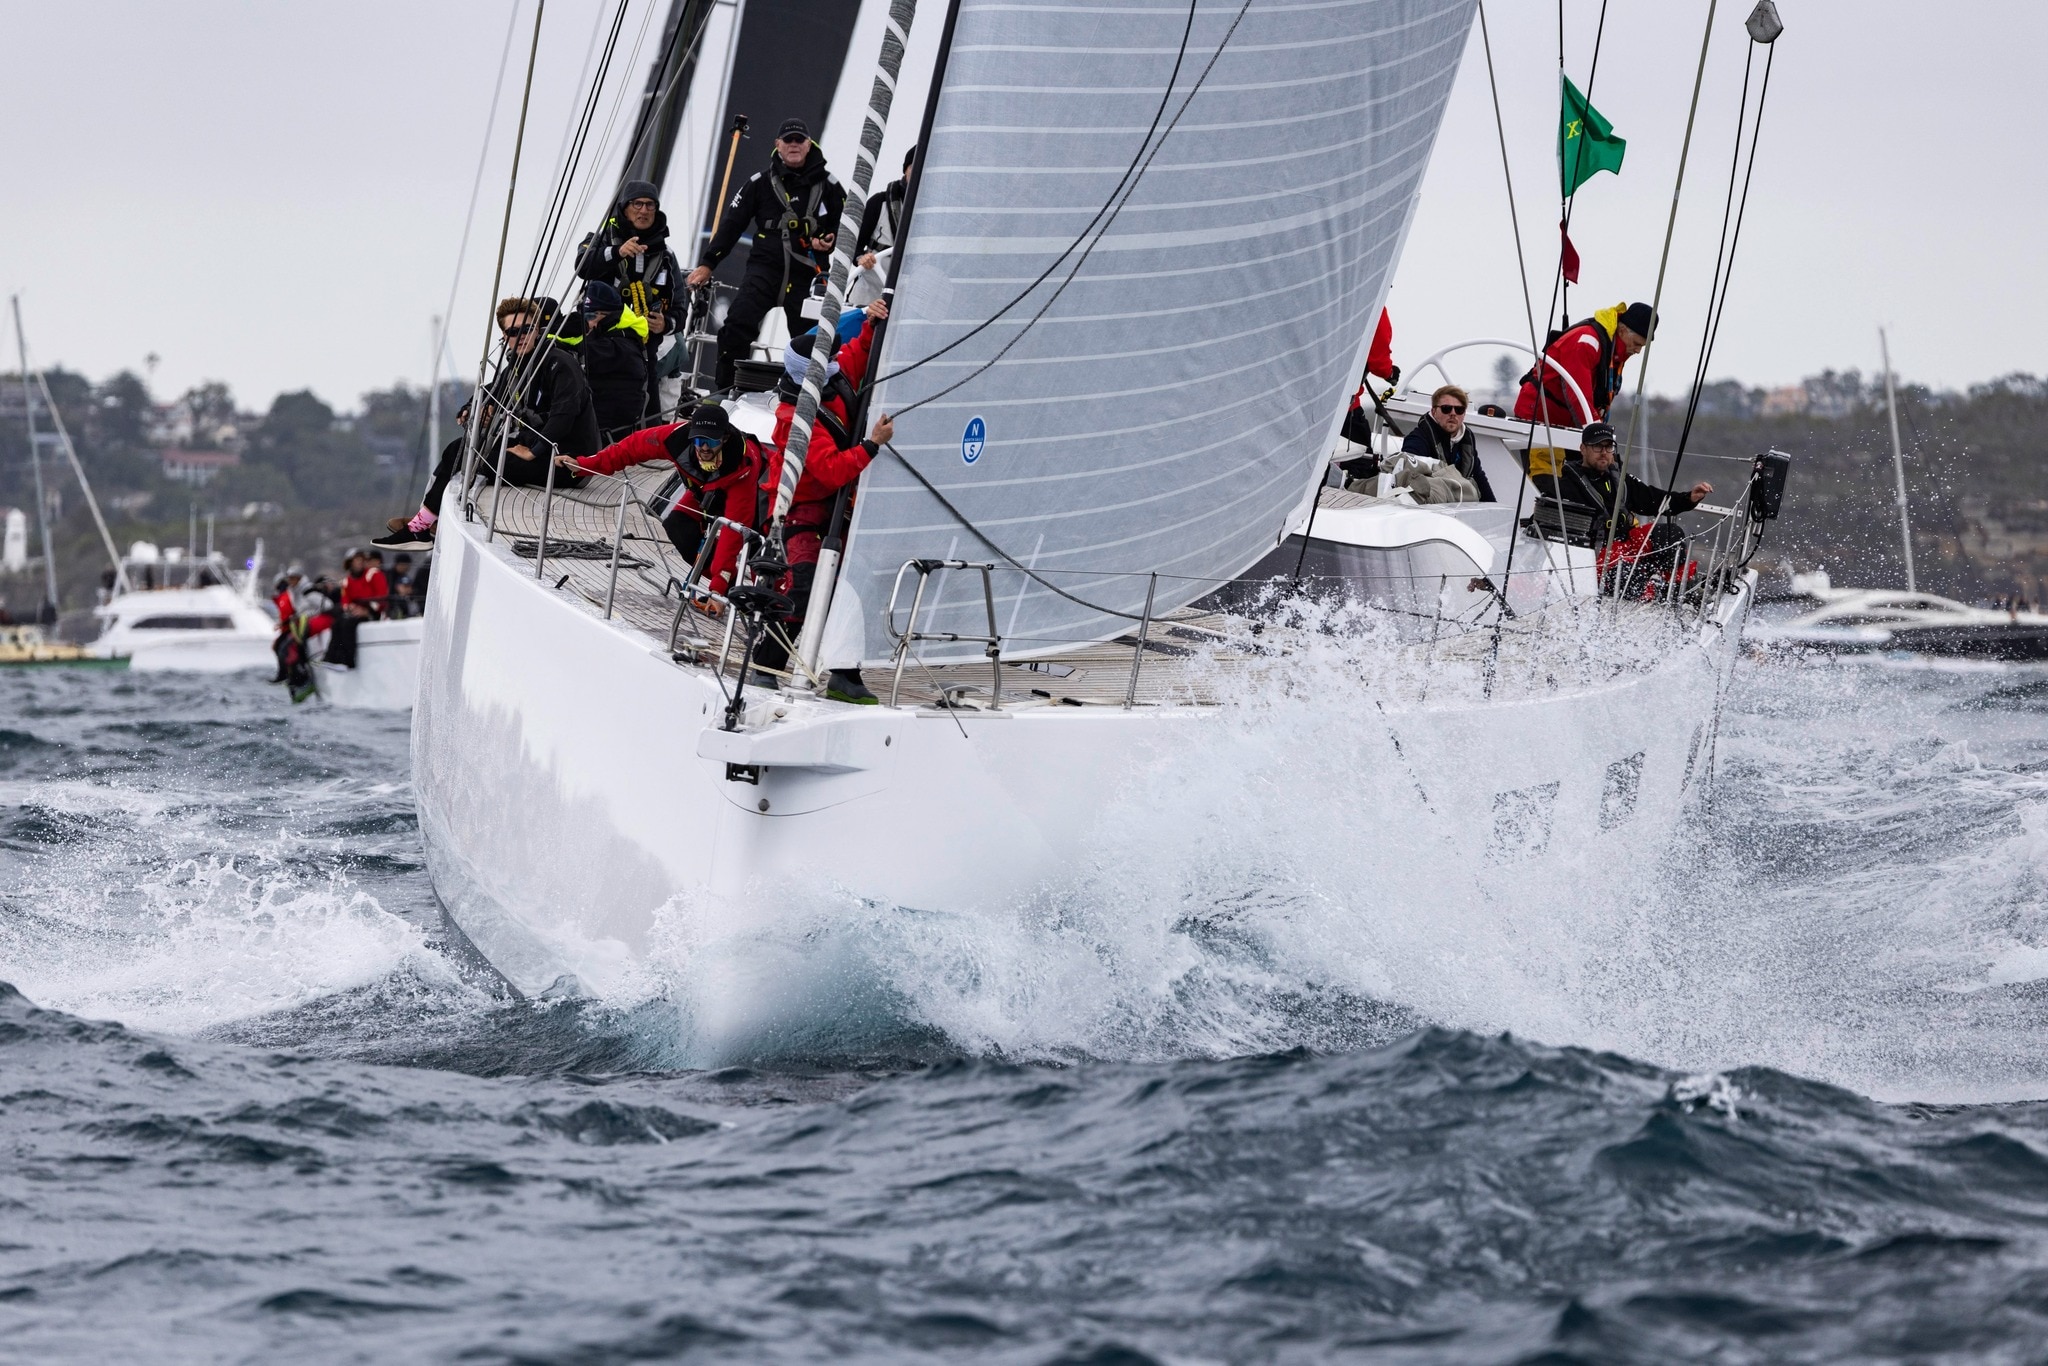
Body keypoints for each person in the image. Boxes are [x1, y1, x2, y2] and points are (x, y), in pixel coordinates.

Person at [759, 303, 892, 700]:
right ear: (812, 372)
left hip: (836, 506)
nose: (835, 361)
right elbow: (831, 469)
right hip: (800, 511)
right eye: (826, 359)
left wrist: (872, 323)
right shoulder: (794, 419)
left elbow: (855, 353)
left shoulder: (833, 377)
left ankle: (844, 673)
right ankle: (767, 663)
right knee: (802, 585)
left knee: (854, 583)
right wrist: (872, 445)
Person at [685, 119, 847, 390]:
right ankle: (726, 392)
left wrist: (830, 241)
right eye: (788, 140)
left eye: (799, 140)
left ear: (809, 144)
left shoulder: (830, 186)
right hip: (764, 270)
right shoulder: (758, 183)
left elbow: (849, 228)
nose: (793, 145)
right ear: (778, 145)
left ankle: (813, 399)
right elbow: (732, 225)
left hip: (808, 274)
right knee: (735, 327)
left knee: (815, 341)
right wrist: (707, 264)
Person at [556, 401, 777, 599]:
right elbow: (628, 449)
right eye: (699, 440)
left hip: (759, 499)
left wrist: (717, 586)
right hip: (705, 492)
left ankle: (757, 599)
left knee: (761, 556)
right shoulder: (674, 439)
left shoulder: (744, 464)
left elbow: (735, 530)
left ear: (725, 438)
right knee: (676, 525)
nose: (704, 448)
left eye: (711, 441)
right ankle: (730, 591)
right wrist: (583, 465)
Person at [1537, 421, 1712, 594]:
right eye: (1597, 447)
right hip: (1597, 556)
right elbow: (1545, 522)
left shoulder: (1621, 480)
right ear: (1583, 449)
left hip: (1627, 545)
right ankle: (1659, 594)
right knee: (1628, 575)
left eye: (1608, 447)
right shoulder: (1566, 486)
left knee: (1671, 534)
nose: (1604, 453)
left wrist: (1689, 498)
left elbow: (1654, 500)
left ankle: (1682, 588)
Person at [1516, 301, 1656, 481]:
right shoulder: (1587, 342)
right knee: (1547, 483)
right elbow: (1577, 395)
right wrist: (1600, 437)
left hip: (1569, 424)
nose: (1638, 351)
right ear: (1621, 331)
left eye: (1642, 347)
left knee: (1586, 481)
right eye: (1637, 344)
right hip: (1541, 417)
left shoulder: (1613, 349)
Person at [487, 297, 600, 488]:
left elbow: (563, 415)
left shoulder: (560, 364)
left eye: (527, 329)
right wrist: (474, 408)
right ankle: (425, 516)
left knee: (487, 461)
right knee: (460, 449)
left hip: (571, 463)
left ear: (538, 330)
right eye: (514, 332)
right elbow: (493, 391)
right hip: (540, 448)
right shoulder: (516, 367)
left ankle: (426, 516)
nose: (521, 336)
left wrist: (533, 451)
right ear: (505, 336)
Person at [575, 179, 681, 318]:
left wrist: (665, 324)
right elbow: (582, 267)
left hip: (646, 335)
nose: (644, 210)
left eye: (650, 205)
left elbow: (679, 306)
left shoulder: (666, 255)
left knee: (677, 340)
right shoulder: (601, 239)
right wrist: (617, 252)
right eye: (637, 204)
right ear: (625, 209)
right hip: (601, 329)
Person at [563, 281, 653, 441]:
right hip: (595, 423)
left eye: (590, 316)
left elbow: (583, 354)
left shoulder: (621, 345)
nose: (587, 322)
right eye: (584, 316)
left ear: (609, 315)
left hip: (606, 434)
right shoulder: (607, 335)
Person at [1396, 384, 1493, 503]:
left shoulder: (1467, 442)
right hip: (1430, 508)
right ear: (1434, 411)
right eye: (1446, 408)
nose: (1453, 413)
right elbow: (1407, 475)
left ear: (1464, 414)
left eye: (1459, 409)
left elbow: (1478, 476)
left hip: (1458, 506)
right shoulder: (1418, 439)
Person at [854, 145, 915, 259]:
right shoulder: (878, 202)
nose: (917, 173)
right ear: (905, 170)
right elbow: (855, 246)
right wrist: (861, 259)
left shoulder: (935, 211)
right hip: (871, 275)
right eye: (913, 167)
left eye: (923, 169)